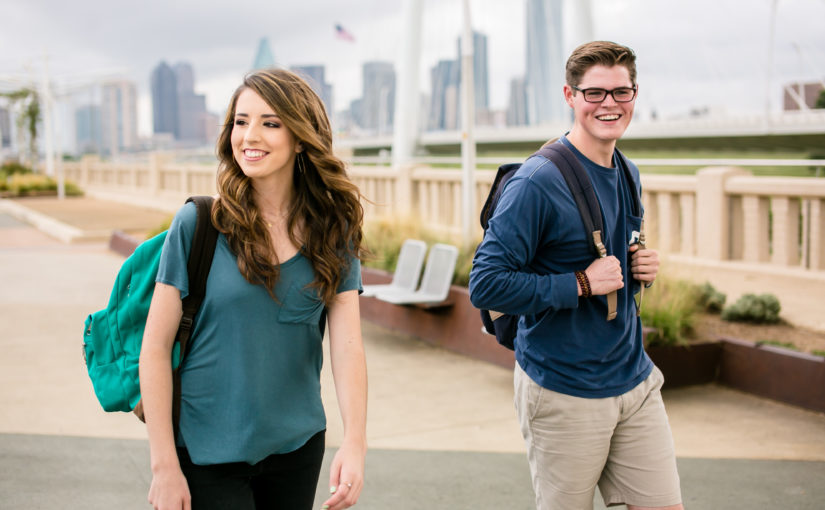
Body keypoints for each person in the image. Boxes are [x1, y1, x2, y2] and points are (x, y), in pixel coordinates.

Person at [139, 68, 367, 510]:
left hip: (297, 447)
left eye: (270, 123)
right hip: (205, 450)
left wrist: (354, 443)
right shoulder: (199, 225)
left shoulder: (333, 229)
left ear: (301, 137)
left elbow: (348, 345)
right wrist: (164, 466)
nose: (250, 136)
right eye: (241, 122)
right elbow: (154, 348)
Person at [469, 41, 683, 510]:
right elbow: (484, 285)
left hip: (635, 379)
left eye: (620, 92)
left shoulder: (628, 171)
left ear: (635, 93)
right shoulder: (536, 182)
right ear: (570, 96)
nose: (609, 104)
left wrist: (637, 266)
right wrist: (582, 284)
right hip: (564, 389)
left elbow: (609, 256)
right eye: (595, 93)